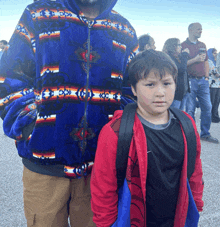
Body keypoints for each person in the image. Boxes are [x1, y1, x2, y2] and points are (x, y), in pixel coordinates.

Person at [0, 0, 139, 226]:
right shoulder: (39, 15)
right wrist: (29, 123)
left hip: (100, 168)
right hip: (44, 164)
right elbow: (9, 76)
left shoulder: (123, 31)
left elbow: (133, 91)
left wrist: (119, 134)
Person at [91, 49, 204, 227]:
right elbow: (103, 185)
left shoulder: (186, 124)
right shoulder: (116, 131)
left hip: (176, 218)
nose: (160, 93)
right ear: (134, 89)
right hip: (134, 219)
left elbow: (194, 170)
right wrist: (105, 223)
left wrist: (196, 204)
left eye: (167, 83)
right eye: (150, 85)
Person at [181, 23, 219, 144]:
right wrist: (196, 59)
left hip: (203, 81)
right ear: (190, 30)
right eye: (198, 29)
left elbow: (206, 62)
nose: (201, 31)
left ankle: (205, 134)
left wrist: (207, 77)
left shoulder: (202, 45)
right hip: (190, 80)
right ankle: (191, 135)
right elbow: (182, 65)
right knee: (190, 109)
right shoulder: (182, 45)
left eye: (201, 29)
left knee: (208, 107)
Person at [162, 38, 190, 109]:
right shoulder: (168, 58)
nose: (181, 47)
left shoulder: (179, 57)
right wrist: (185, 55)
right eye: (179, 45)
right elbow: (180, 70)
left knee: (180, 116)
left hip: (183, 93)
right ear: (173, 46)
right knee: (174, 116)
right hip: (175, 94)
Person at [207, 48, 220, 123]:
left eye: (216, 53)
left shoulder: (217, 62)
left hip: (218, 85)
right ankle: (210, 116)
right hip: (211, 85)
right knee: (211, 102)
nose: (216, 54)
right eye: (214, 53)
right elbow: (216, 73)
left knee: (217, 101)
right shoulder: (209, 62)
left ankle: (215, 116)